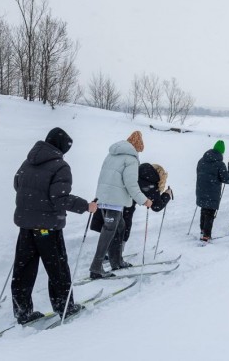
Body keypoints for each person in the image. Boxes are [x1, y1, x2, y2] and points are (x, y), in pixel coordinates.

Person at [11, 127, 98, 324]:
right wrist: (86, 206)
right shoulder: (60, 166)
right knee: (57, 268)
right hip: (47, 227)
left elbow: (17, 184)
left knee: (23, 269)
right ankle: (65, 307)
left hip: (26, 225)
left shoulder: (28, 160)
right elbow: (59, 199)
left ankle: (22, 312)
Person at [90, 131, 153, 279]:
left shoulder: (112, 154)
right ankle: (96, 267)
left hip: (104, 197)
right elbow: (131, 184)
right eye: (139, 149)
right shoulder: (130, 159)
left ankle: (116, 261)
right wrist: (144, 200)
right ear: (137, 146)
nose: (138, 152)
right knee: (109, 231)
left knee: (120, 227)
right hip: (114, 200)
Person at [90, 162, 173, 266]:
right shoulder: (151, 181)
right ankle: (114, 257)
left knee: (109, 230)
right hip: (124, 208)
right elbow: (156, 206)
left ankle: (107, 255)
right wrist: (167, 195)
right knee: (122, 231)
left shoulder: (135, 171)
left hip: (107, 200)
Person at [196, 140, 229, 241]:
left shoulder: (201, 160)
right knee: (210, 212)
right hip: (212, 192)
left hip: (201, 189)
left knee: (204, 210)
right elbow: (227, 180)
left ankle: (202, 231)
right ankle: (206, 235)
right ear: (222, 152)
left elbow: (198, 172)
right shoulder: (220, 164)